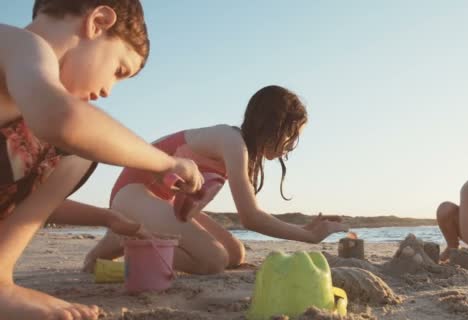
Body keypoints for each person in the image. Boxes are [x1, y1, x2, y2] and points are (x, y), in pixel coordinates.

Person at [0, 1, 202, 319]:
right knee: (80, 135)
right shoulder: (18, 43)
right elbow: (63, 119)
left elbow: (20, 201)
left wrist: (108, 218)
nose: (109, 90)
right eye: (119, 70)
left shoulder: (23, 104)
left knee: (78, 152)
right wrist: (168, 162)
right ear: (99, 21)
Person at [84, 85, 349, 275]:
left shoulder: (242, 151)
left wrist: (304, 227)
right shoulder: (231, 141)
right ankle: (127, 239)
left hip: (161, 201)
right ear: (274, 126)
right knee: (212, 260)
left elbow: (252, 213)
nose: (291, 146)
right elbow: (251, 217)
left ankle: (126, 237)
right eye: (292, 136)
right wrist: (307, 235)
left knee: (235, 254)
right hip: (134, 193)